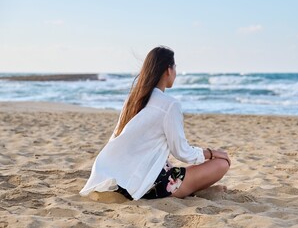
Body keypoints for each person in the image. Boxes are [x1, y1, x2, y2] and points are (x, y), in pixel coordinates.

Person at [79, 46, 230, 200]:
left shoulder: (133, 99)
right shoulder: (170, 105)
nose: (175, 72)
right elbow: (182, 152)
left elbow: (118, 139)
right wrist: (213, 153)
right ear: (168, 70)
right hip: (150, 185)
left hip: (122, 180)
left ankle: (194, 190)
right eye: (175, 67)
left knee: (167, 162)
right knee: (222, 163)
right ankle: (192, 191)